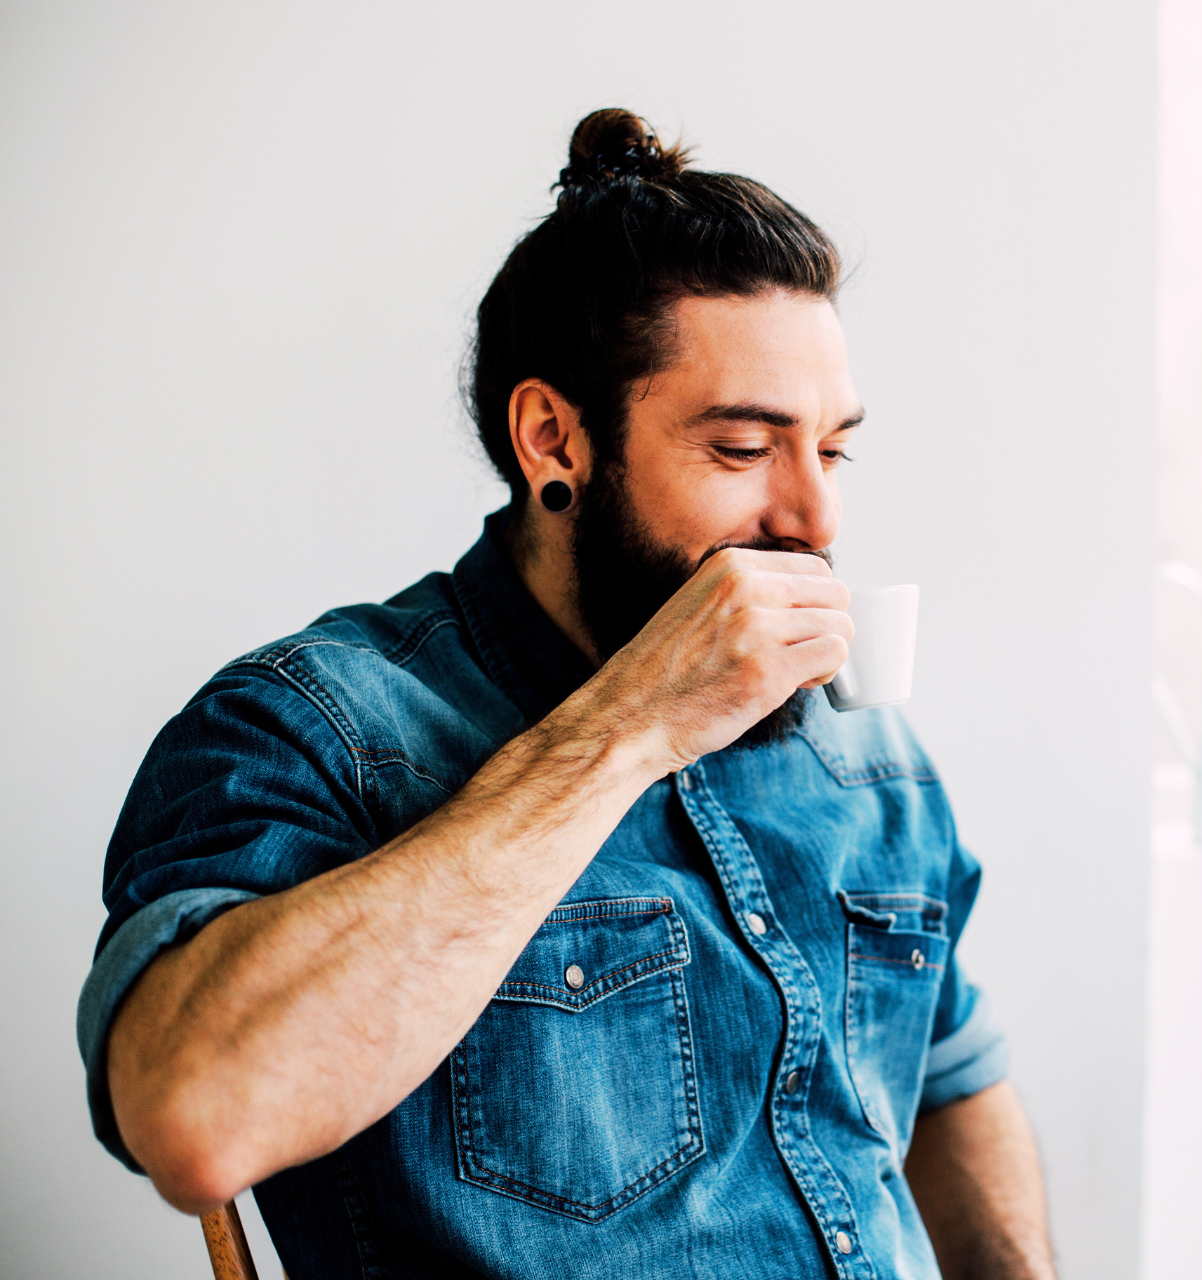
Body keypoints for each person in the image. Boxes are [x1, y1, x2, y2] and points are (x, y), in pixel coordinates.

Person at [77, 108, 1055, 1280]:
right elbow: (193, 1114)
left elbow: (951, 1072)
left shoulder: (866, 753)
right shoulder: (314, 728)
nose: (815, 518)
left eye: (831, 450)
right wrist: (629, 727)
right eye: (744, 450)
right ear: (554, 440)